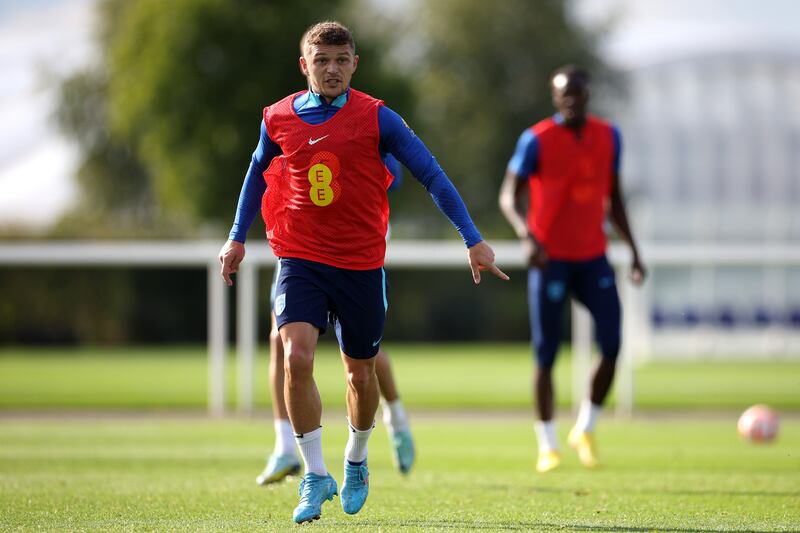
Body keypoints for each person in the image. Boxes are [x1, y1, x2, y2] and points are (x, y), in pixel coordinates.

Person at [219, 21, 508, 524]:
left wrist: (473, 238)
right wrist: (237, 236)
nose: (331, 69)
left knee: (359, 372)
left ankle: (356, 461)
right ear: (304, 64)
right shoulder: (277, 117)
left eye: (341, 59)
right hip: (300, 259)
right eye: (321, 59)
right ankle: (314, 473)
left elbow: (431, 174)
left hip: (360, 264)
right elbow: (253, 175)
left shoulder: (378, 118)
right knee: (296, 356)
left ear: (355, 63)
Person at [498, 65, 645, 474]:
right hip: (551, 259)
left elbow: (614, 198)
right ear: (555, 97)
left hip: (593, 256)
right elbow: (508, 197)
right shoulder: (536, 140)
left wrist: (634, 250)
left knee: (613, 343)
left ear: (588, 94)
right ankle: (547, 443)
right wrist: (527, 236)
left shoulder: (608, 136)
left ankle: (586, 427)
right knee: (546, 352)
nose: (572, 100)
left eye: (578, 93)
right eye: (565, 94)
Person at [255, 155, 415, 486]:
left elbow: (392, 176)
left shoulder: (365, 124)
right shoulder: (293, 117)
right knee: (281, 342)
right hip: (298, 243)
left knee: (361, 359)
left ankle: (396, 420)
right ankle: (285, 446)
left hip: (351, 249)